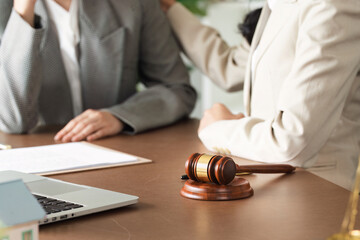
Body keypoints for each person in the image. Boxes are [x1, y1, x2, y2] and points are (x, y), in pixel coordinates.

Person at [160, 0, 360, 190]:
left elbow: (292, 140)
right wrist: (171, 8)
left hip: (321, 195)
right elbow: (232, 66)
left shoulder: (331, 5)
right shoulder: (276, 6)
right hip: (277, 186)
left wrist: (218, 128)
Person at [0, 0, 196, 142]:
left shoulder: (135, 4)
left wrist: (120, 117)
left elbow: (177, 89)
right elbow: (13, 121)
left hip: (116, 154)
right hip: (33, 162)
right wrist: (23, 11)